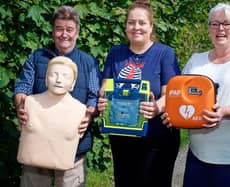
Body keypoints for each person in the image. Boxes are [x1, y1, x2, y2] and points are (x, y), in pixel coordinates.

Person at [162, 2, 230, 187]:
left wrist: (225, 111)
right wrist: (172, 114)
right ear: (209, 29)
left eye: (227, 23)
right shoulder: (196, 60)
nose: (220, 28)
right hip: (200, 150)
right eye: (214, 23)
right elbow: (179, 96)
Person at [14, 5, 100, 187]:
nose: (64, 34)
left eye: (69, 29)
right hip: (37, 145)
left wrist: (89, 114)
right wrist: (21, 105)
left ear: (77, 32)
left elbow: (94, 96)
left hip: (73, 146)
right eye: (59, 29)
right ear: (52, 32)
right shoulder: (37, 57)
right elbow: (23, 87)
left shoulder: (88, 62)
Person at [97, 0, 181, 186]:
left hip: (156, 136)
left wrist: (156, 108)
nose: (136, 27)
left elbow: (171, 93)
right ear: (126, 26)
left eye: (142, 23)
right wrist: (103, 101)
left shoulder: (164, 53)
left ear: (151, 26)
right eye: (131, 22)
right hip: (122, 136)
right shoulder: (115, 53)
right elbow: (106, 87)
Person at [17, 56, 87, 171]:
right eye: (54, 74)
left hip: (65, 163)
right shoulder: (29, 102)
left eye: (66, 76)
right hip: (30, 161)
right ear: (46, 79)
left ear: (73, 83)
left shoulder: (80, 110)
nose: (59, 80)